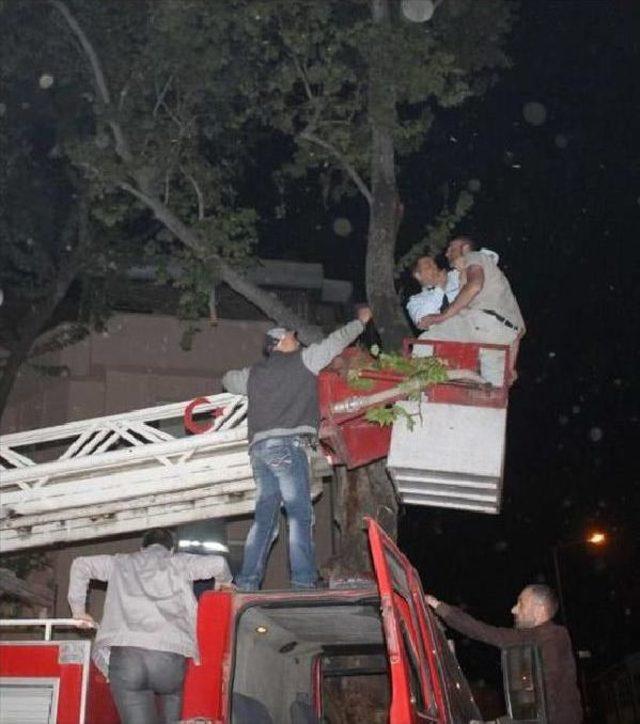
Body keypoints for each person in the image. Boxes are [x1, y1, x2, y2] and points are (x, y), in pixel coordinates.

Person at [222, 309, 371, 592]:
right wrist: (360, 322)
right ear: (277, 343)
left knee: (265, 521)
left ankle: (247, 582)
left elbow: (228, 380)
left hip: (260, 452)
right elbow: (335, 341)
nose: (296, 340)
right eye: (291, 337)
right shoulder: (304, 361)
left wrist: (259, 383)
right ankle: (303, 580)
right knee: (300, 516)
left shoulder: (254, 374)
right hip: (290, 447)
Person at [68, 527, 232, 724]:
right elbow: (219, 563)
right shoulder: (180, 562)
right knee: (175, 708)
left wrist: (79, 611)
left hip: (127, 659)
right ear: (171, 549)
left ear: (142, 547)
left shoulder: (120, 562)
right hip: (170, 660)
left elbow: (80, 564)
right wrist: (224, 583)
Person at [427, 585, 583, 724]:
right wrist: (438, 605)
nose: (513, 609)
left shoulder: (554, 638)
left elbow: (545, 699)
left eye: (521, 603)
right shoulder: (527, 637)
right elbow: (482, 631)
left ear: (539, 610)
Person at [417, 236, 524, 385]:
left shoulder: (474, 256)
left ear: (465, 248)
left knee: (424, 342)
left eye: (451, 248)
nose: (447, 253)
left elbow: (474, 286)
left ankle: (421, 390)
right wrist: (510, 367)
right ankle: (483, 391)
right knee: (493, 391)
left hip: (482, 323)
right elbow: (516, 333)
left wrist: (440, 317)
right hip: (500, 338)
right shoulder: (500, 290)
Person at [406, 253, 461, 327]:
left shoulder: (454, 276)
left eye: (434, 264)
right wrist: (440, 288)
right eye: (428, 266)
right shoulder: (415, 301)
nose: (435, 267)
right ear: (418, 276)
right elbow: (422, 321)